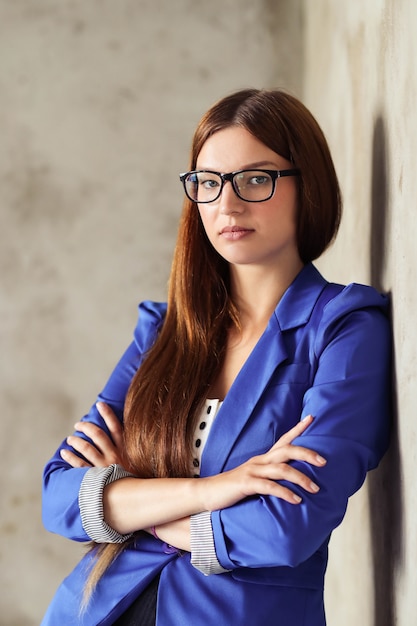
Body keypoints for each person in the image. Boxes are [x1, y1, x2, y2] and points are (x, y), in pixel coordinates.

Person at [41, 88, 391, 626]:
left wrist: (139, 505)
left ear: (308, 184)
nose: (227, 205)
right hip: (94, 610)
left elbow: (284, 526)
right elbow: (60, 496)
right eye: (208, 183)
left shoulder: (343, 328)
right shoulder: (161, 331)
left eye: (255, 178)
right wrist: (215, 491)